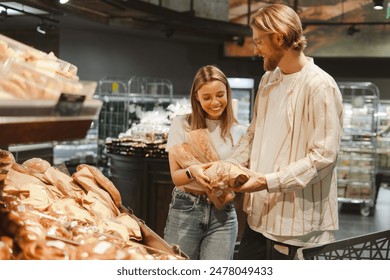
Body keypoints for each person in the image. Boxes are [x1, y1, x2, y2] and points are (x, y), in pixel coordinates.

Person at [225, 4, 344, 260]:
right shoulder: (269, 80)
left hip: (297, 231)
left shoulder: (320, 85)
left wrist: (267, 182)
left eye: (259, 41)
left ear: (278, 38)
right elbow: (252, 135)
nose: (255, 49)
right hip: (258, 219)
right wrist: (227, 168)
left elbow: (323, 158)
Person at [163, 65, 247, 260]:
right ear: (196, 97)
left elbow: (242, 179)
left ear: (228, 93)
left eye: (220, 95)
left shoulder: (241, 131)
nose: (215, 102)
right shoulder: (181, 124)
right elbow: (176, 177)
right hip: (186, 208)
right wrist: (193, 171)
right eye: (207, 97)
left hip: (223, 214)